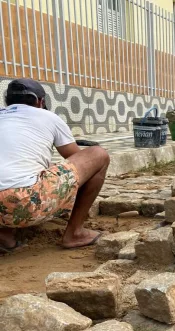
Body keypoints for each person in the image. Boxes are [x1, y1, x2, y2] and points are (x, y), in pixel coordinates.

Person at [0, 78, 110, 252]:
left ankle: (4, 236)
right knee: (98, 155)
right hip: (23, 203)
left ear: (7, 101)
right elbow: (77, 158)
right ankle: (75, 232)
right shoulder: (48, 116)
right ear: (40, 101)